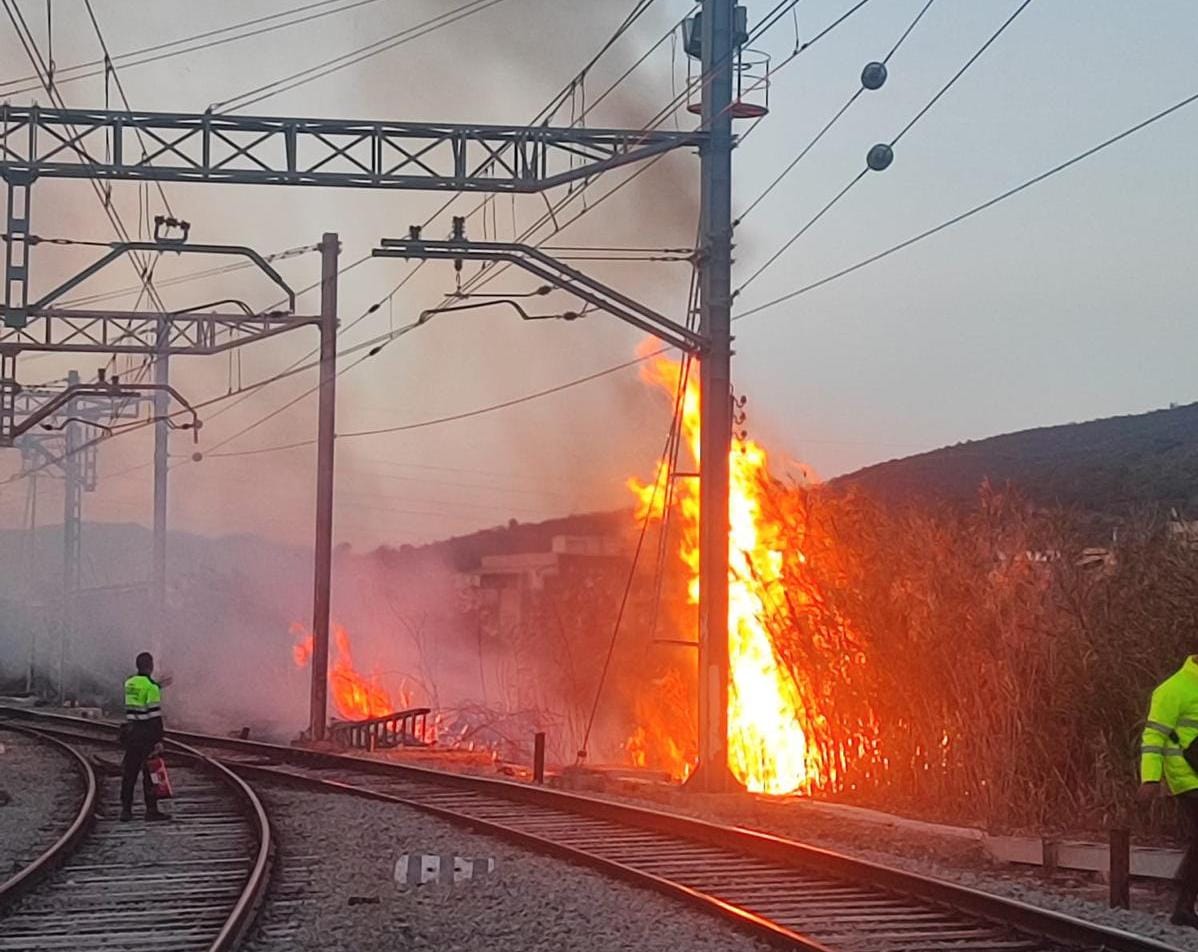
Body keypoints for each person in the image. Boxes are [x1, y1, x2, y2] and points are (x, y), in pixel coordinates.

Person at [1140, 655, 1198, 927]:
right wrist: (1150, 779)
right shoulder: (1172, 689)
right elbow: (1154, 737)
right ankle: (1183, 907)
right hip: (1187, 774)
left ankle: (1183, 904)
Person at [121, 651, 172, 822]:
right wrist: (159, 739)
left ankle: (126, 810)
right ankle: (151, 810)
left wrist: (157, 685)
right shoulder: (151, 688)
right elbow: (154, 716)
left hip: (131, 731)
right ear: (150, 667)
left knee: (129, 772)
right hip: (146, 734)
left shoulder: (129, 683)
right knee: (150, 773)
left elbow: (141, 690)